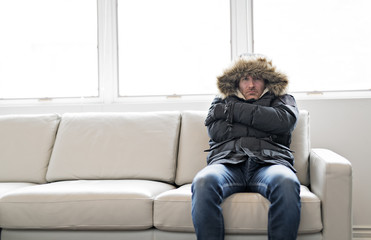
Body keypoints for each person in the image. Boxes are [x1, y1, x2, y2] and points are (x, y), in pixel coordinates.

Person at [191, 54, 301, 240]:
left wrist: (232, 112)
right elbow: (217, 131)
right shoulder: (222, 100)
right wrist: (265, 124)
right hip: (228, 163)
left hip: (269, 163)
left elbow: (283, 122)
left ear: (265, 80)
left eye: (257, 78)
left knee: (286, 182)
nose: (251, 85)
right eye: (245, 79)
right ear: (237, 82)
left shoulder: (282, 99)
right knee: (203, 181)